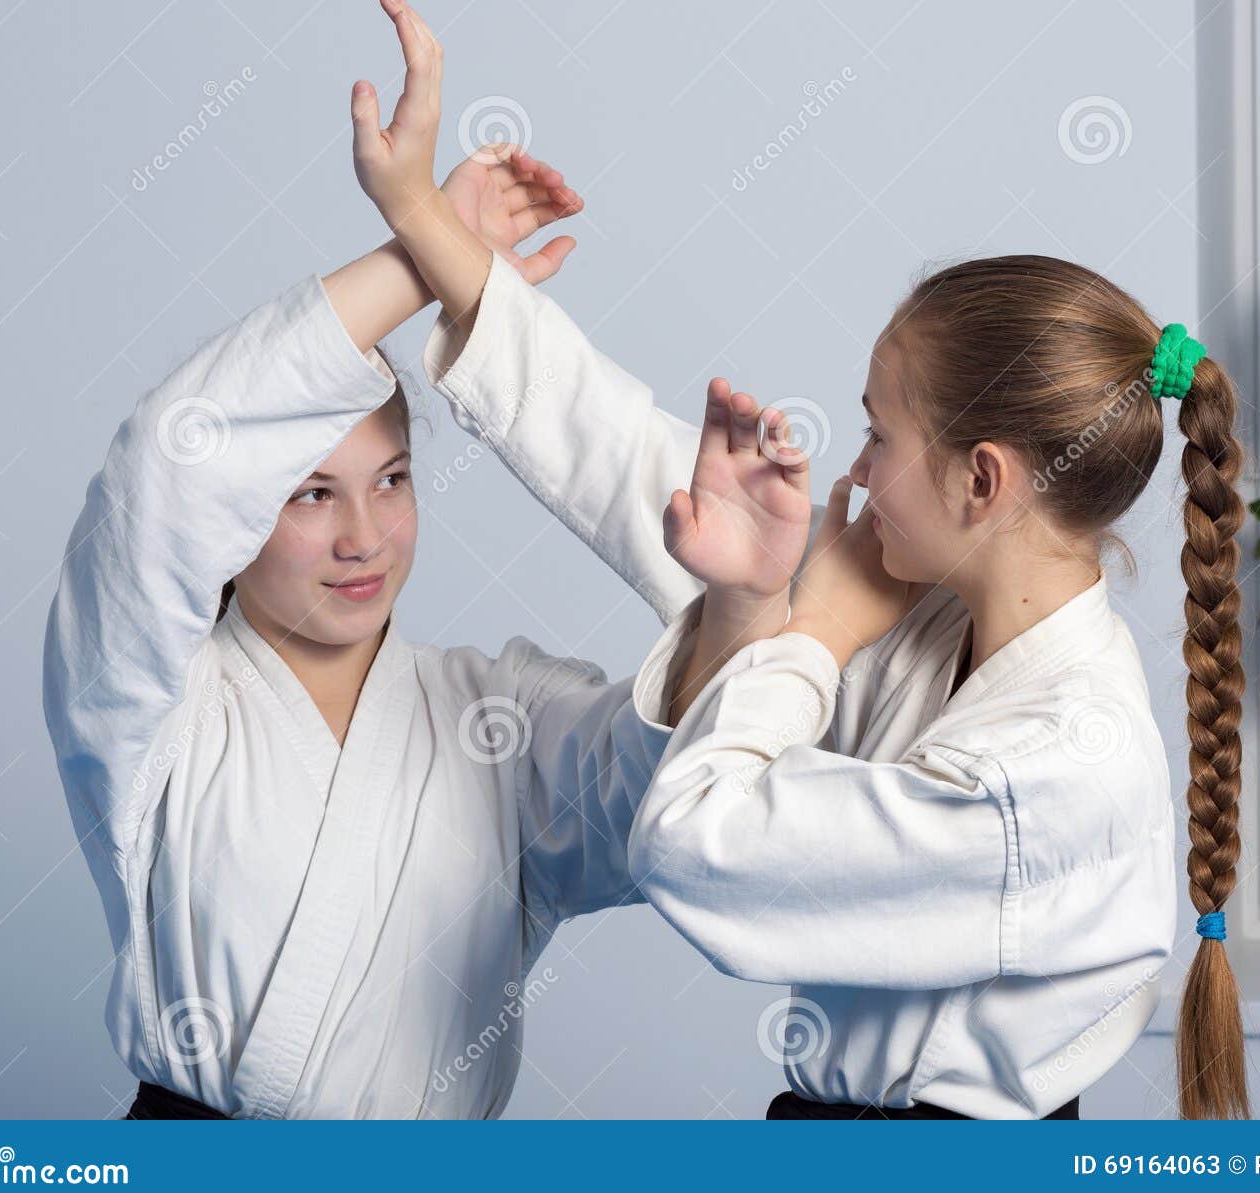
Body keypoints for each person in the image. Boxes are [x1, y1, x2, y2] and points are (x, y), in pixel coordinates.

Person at [368, 0, 1248, 1120]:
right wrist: (436, 244)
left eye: (880, 433)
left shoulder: (1054, 768)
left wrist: (814, 627)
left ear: (982, 481)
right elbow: (648, 480)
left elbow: (696, 842)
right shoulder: (940, 627)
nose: (858, 470)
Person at [42, 0, 799, 1116]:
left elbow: (670, 790)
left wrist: (742, 600)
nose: (363, 535)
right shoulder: (147, 699)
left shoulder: (495, 721)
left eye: (391, 480)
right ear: (242, 501)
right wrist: (425, 246)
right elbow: (168, 460)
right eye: (309, 494)